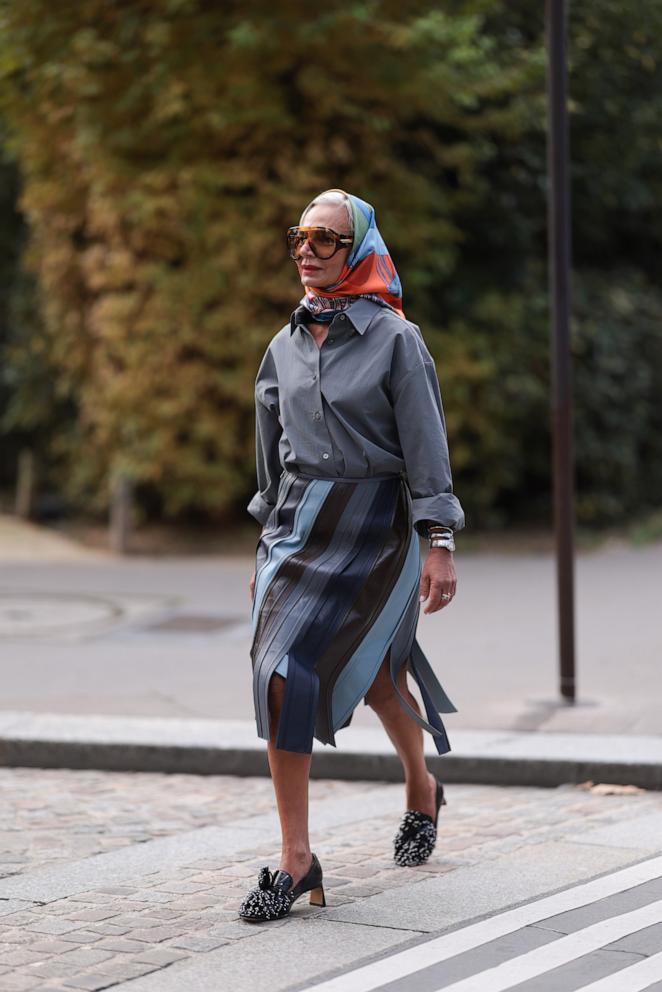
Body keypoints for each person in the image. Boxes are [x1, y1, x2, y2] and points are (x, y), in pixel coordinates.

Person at [239, 188, 465, 923]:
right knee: (278, 671)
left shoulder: (399, 340)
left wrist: (440, 542)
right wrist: (265, 541)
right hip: (299, 528)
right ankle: (297, 862)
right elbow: (271, 456)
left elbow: (427, 450)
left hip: (377, 528)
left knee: (380, 678)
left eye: (325, 239)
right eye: (299, 237)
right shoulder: (282, 345)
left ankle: (420, 786)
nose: (307, 250)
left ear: (359, 249)